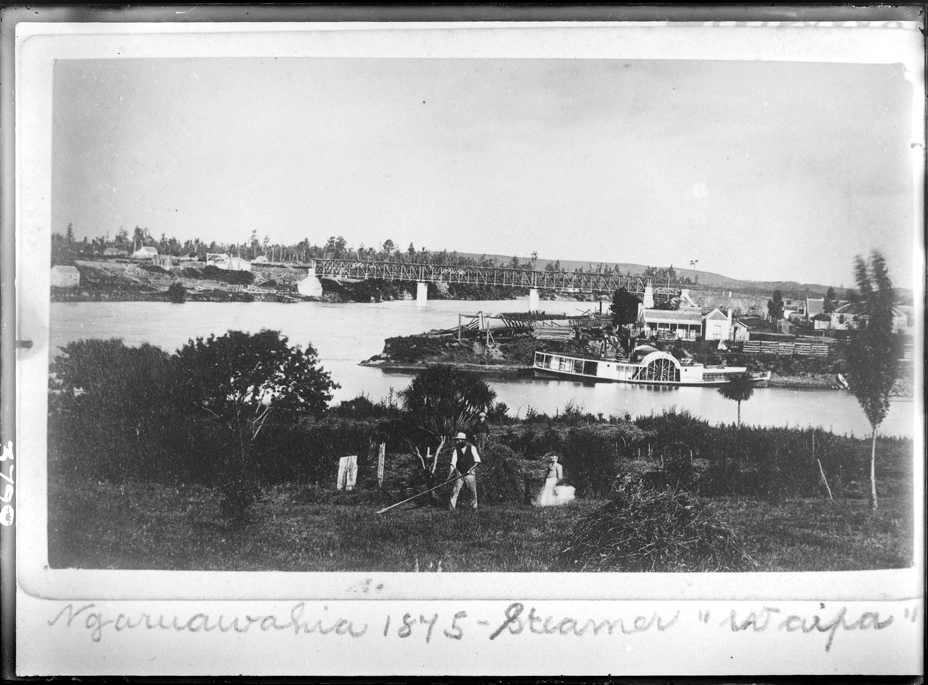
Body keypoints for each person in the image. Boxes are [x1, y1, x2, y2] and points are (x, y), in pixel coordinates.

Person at [448, 431, 480, 510]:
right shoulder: (456, 450)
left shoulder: (472, 448)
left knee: (472, 492)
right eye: (457, 440)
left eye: (459, 440)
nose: (457, 441)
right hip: (459, 472)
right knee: (455, 491)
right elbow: (453, 463)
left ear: (464, 440)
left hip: (470, 473)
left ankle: (474, 508)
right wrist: (449, 476)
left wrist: (471, 469)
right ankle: (451, 509)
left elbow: (477, 461)